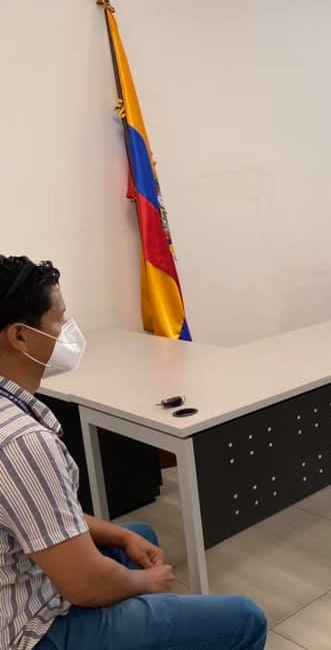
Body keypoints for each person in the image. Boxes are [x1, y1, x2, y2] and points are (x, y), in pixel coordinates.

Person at [0, 255, 267, 650]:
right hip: (28, 631)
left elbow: (39, 511)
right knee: (245, 619)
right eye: (59, 319)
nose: (68, 330)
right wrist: (146, 583)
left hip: (20, 577)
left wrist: (122, 535)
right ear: (20, 337)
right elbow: (84, 584)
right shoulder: (22, 442)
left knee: (138, 535)